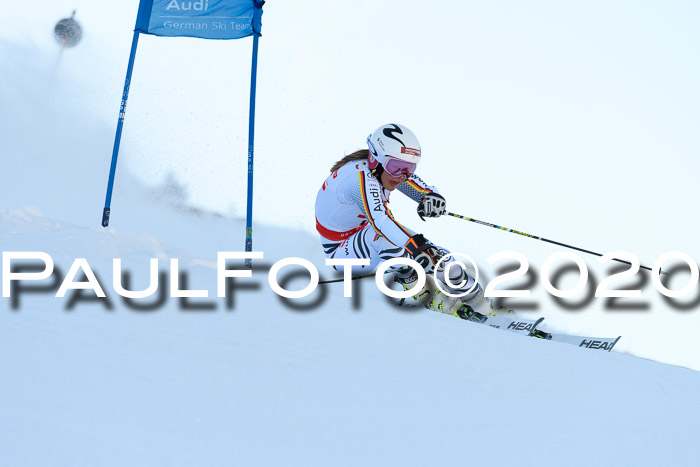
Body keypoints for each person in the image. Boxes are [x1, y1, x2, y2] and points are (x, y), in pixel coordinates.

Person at [314, 123, 486, 320]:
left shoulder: (384, 171)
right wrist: (417, 247)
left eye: (409, 168)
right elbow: (381, 221)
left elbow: (417, 187)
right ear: (374, 158)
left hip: (366, 235)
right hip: (342, 253)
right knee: (392, 240)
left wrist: (430, 197)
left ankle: (480, 301)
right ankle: (427, 293)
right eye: (396, 167)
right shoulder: (359, 178)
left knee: (440, 258)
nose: (402, 175)